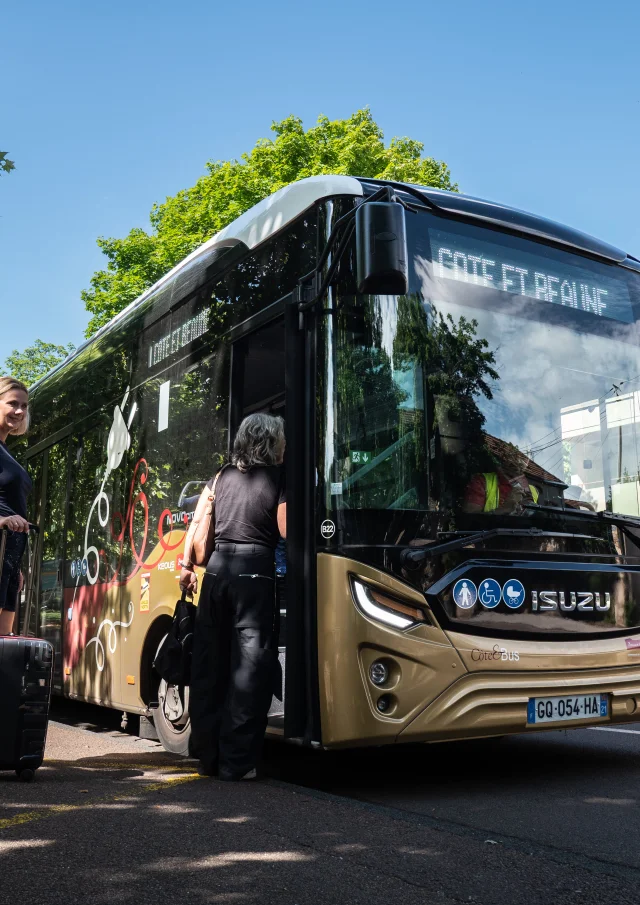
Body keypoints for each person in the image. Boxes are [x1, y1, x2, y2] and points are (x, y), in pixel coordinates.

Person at [181, 413, 286, 781]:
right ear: (272, 441)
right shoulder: (278, 478)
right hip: (254, 576)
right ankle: (237, 762)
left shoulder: (221, 476)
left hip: (215, 573)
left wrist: (186, 566)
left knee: (210, 666)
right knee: (249, 670)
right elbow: (287, 530)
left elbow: (200, 523)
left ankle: (207, 756)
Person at [0, 377, 32, 635]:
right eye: (12, 403)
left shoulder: (6, 451)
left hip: (8, 557)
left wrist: (14, 566)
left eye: (24, 405)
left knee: (4, 643)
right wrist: (1, 520)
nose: (19, 411)